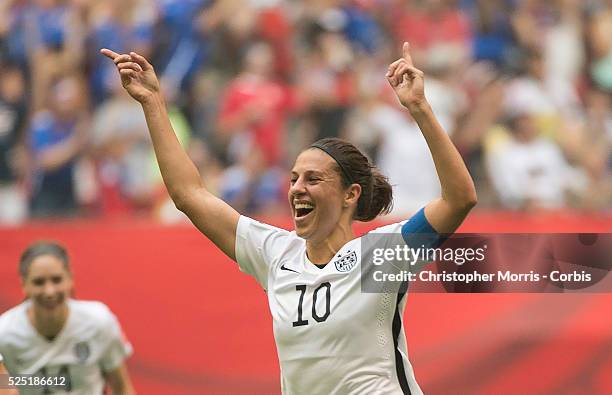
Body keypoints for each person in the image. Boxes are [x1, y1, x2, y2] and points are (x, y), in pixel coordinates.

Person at [101, 41, 477, 394]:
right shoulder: (275, 254)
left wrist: (419, 109)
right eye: (294, 178)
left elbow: (459, 198)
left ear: (351, 194)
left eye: (313, 179)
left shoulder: (382, 255)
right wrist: (152, 101)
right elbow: (189, 195)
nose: (297, 188)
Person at [0, 242, 135, 395]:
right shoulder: (5, 334)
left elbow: (122, 388)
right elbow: (5, 388)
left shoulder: (99, 323)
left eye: (56, 280)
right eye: (39, 282)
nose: (49, 291)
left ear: (70, 279)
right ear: (24, 284)